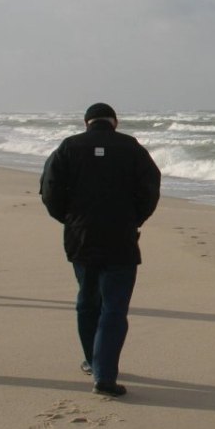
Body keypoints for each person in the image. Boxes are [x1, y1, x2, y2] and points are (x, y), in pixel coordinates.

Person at [40, 103, 161, 397]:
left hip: (81, 236)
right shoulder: (131, 147)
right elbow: (151, 188)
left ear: (86, 123)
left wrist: (69, 219)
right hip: (121, 236)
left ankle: (93, 363)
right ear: (114, 122)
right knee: (114, 307)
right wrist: (135, 218)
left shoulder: (68, 147)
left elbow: (49, 190)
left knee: (87, 300)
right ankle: (104, 374)